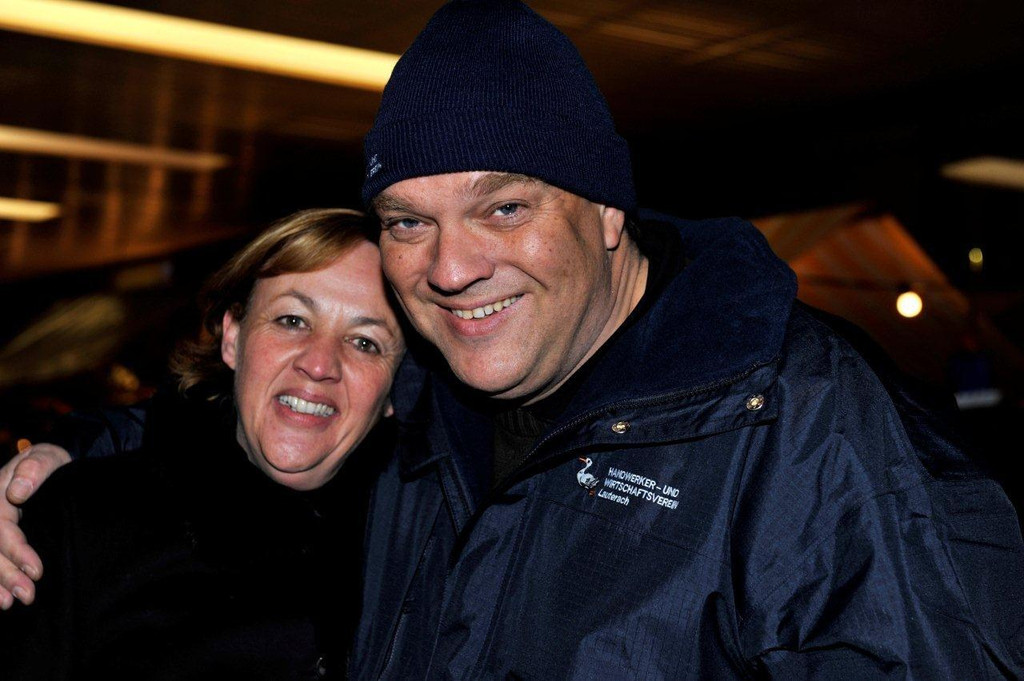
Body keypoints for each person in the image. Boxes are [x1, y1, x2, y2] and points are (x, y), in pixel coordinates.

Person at [3, 1, 1024, 678]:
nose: (450, 268)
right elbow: (267, 415)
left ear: (608, 210)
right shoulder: (430, 394)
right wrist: (55, 469)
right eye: (409, 220)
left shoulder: (810, 432)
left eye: (503, 209)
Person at [0, 208, 405, 679]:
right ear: (233, 337)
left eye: (365, 343)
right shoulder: (81, 523)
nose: (319, 364)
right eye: (292, 320)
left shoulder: (417, 553)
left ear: (396, 390)